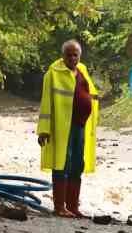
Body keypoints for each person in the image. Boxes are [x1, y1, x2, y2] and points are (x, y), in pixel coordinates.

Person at [38, 40, 102, 218]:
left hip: (80, 126)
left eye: (76, 55)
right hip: (61, 127)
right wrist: (43, 130)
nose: (73, 58)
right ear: (63, 55)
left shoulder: (82, 71)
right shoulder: (53, 74)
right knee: (62, 163)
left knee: (77, 164)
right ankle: (59, 207)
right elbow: (45, 103)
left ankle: (73, 206)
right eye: (69, 54)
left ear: (80, 56)